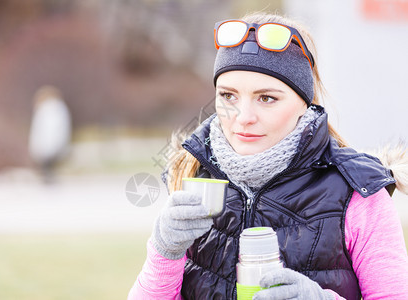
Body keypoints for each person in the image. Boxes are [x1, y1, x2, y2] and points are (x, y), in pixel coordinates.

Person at [128, 12, 408, 299]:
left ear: (304, 102)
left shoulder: (360, 193)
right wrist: (164, 251)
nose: (243, 117)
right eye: (228, 96)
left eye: (266, 98)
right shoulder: (192, 173)